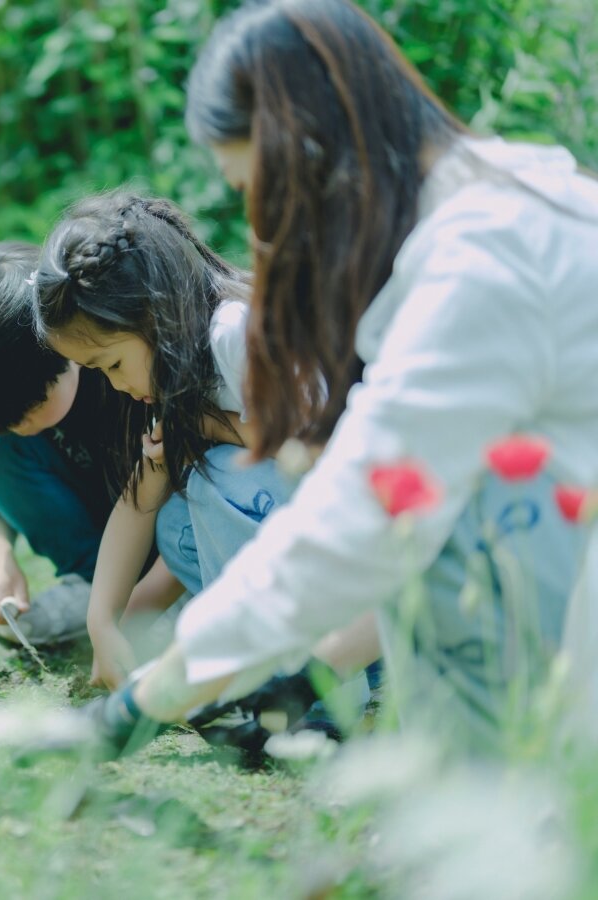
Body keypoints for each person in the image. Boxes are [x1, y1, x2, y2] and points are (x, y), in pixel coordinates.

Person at [82, 0, 597, 757]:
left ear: (308, 155)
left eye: (256, 190)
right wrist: (309, 670)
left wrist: (149, 698)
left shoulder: (479, 269)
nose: (264, 228)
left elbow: (359, 519)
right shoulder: (505, 202)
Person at [34, 192, 303, 690]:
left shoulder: (233, 335)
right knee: (177, 523)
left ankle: (274, 671)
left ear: (151, 313)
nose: (115, 385)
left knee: (213, 480)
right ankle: (257, 656)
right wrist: (105, 625)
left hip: (357, 535)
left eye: (112, 364)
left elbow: (315, 443)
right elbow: (139, 501)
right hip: (300, 547)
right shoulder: (175, 376)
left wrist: (204, 425)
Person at [0, 242, 185, 646]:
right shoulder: (6, 415)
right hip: (102, 557)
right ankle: (91, 585)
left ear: (65, 347)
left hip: (174, 550)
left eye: (29, 409)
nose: (18, 427)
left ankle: (161, 601)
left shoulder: (126, 373)